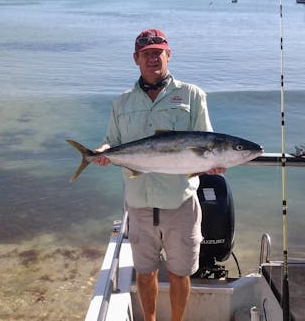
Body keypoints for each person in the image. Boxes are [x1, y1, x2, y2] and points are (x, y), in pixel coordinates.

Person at [92, 28, 225, 321]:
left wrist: (212, 164)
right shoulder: (122, 103)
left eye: (158, 52)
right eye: (147, 54)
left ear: (168, 55)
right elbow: (111, 142)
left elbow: (208, 142)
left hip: (180, 203)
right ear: (136, 59)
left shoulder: (192, 95)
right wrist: (102, 153)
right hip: (138, 204)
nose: (153, 58)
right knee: (144, 272)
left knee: (180, 273)